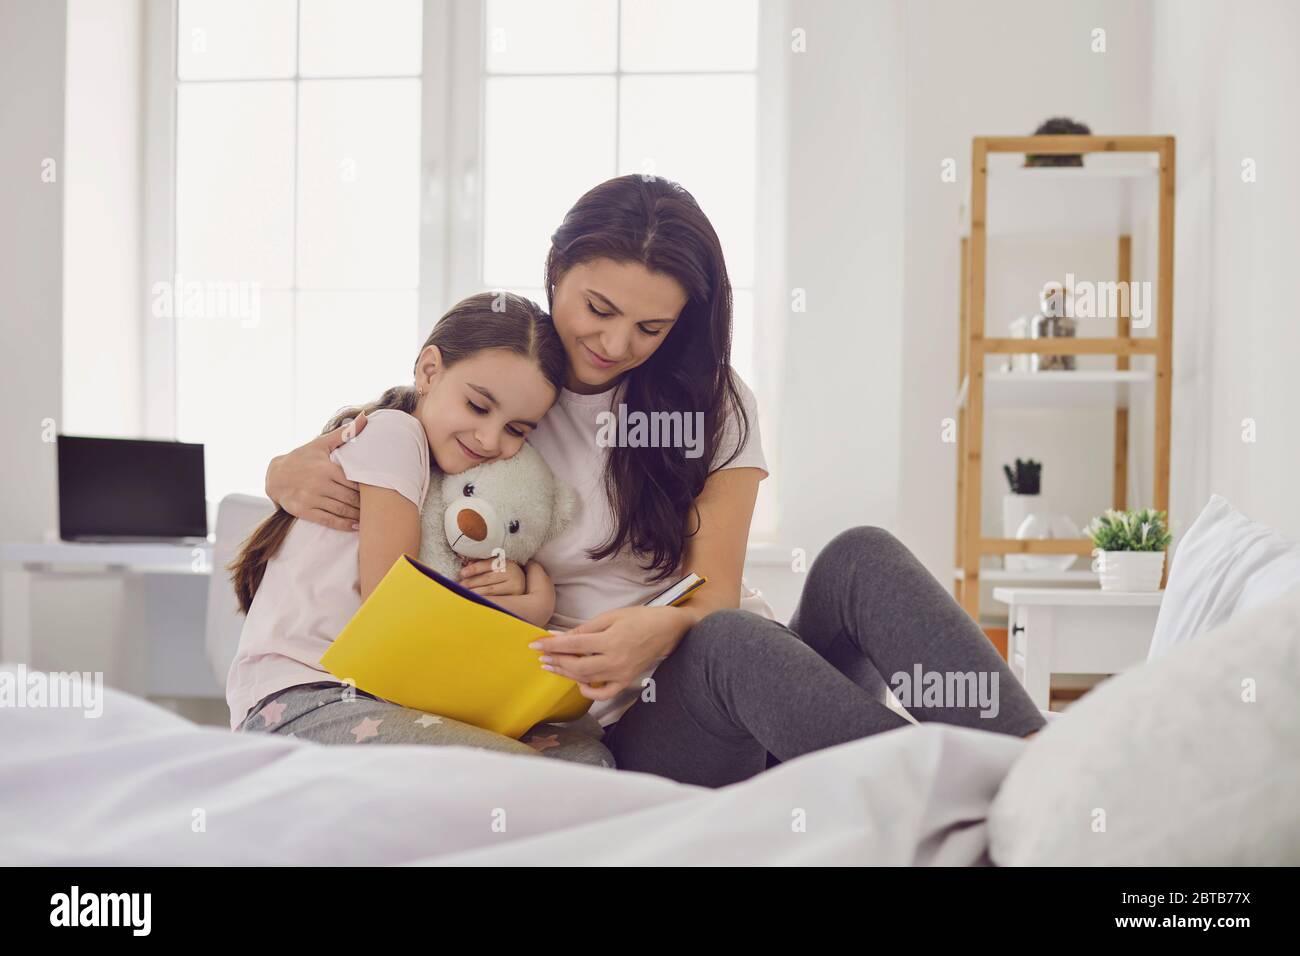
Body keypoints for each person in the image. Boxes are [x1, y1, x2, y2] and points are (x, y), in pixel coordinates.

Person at [266, 175, 1045, 787]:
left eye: (650, 328)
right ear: (554, 271)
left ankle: (1041, 767)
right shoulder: (502, 385)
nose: (613, 343)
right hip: (640, 727)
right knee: (732, 641)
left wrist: (660, 629)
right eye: (597, 309)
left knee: (859, 558)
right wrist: (285, 468)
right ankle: (971, 797)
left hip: (764, 687)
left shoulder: (714, 402)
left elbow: (716, 589)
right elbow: (399, 429)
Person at [228, 293, 608, 763]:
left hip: (370, 698)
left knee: (584, 756)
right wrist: (535, 603)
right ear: (430, 371)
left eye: (517, 430)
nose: (490, 439)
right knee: (538, 773)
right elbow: (397, 614)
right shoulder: (395, 436)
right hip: (302, 701)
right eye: (477, 405)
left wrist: (526, 585)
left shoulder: (450, 480)